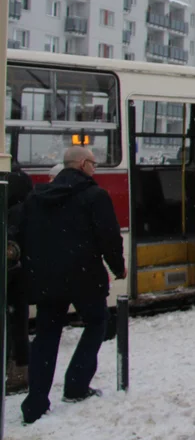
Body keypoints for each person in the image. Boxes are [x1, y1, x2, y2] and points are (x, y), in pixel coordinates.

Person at [20, 146, 125, 425]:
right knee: (97, 322)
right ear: (81, 165)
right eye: (92, 163)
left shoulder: (37, 196)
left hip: (47, 279)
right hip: (84, 277)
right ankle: (76, 384)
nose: (95, 168)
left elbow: (23, 233)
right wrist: (118, 267)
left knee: (46, 336)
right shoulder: (95, 196)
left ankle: (36, 402)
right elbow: (109, 238)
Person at [5, 164, 34, 394]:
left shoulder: (9, 212)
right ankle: (20, 371)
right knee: (19, 325)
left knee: (13, 325)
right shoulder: (28, 209)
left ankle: (16, 372)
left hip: (12, 276)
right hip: (22, 275)